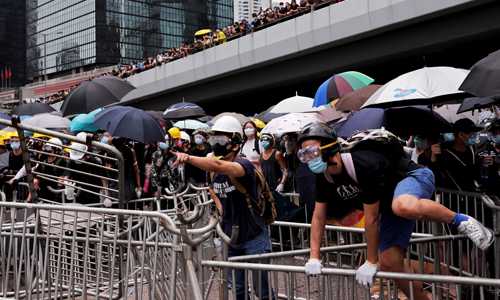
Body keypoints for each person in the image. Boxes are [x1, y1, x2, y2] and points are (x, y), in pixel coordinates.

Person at [299, 123, 494, 300]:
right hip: (391, 203)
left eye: (312, 152)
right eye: (303, 154)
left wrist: (370, 261)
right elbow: (318, 216)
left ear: (329, 148)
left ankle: (464, 221)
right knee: (390, 264)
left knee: (403, 205)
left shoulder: (361, 164)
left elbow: (372, 218)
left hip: (414, 177)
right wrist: (314, 257)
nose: (308, 159)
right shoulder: (324, 178)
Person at [171, 116, 274, 300]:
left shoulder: (244, 165)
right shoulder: (212, 169)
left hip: (254, 236)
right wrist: (221, 209)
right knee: (239, 292)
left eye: (222, 139)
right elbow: (211, 186)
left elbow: (219, 165)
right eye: (213, 139)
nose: (216, 143)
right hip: (229, 238)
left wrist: (188, 157)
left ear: (235, 145)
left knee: (262, 292)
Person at [62, 133, 107, 205]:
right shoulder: (72, 162)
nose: (78, 160)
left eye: (80, 158)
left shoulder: (95, 162)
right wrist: (67, 186)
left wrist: (106, 196)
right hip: (78, 194)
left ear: (85, 153)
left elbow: (103, 180)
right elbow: (66, 178)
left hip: (93, 195)